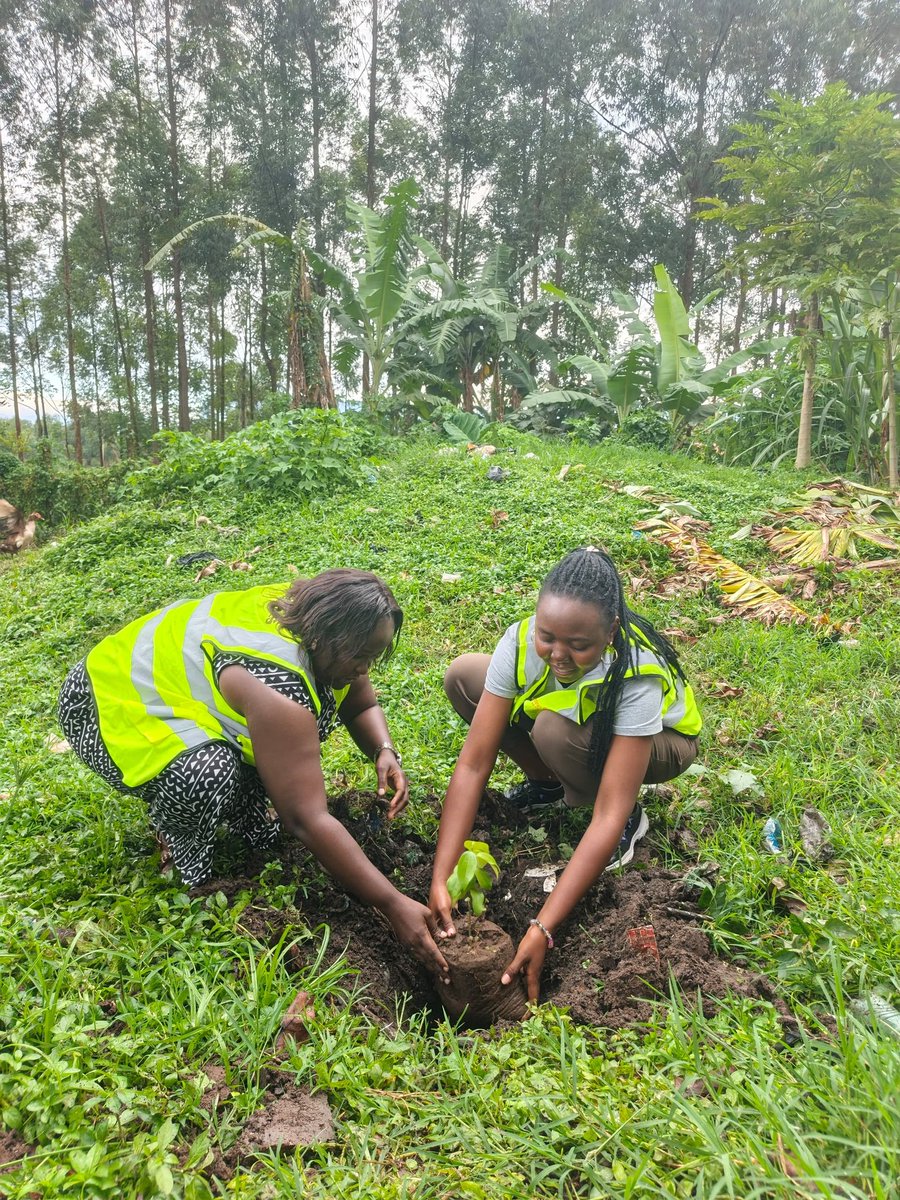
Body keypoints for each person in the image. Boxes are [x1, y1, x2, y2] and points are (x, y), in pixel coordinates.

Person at [58, 570, 448, 979]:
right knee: (207, 774)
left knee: (270, 760)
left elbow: (360, 703)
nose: (365, 667)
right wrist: (392, 903)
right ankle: (188, 861)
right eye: (362, 656)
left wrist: (383, 750)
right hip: (108, 701)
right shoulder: (279, 686)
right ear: (330, 639)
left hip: (178, 687)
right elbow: (306, 818)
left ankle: (245, 817)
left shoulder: (318, 620)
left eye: (374, 655)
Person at [429, 547, 702, 1002]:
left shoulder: (635, 671)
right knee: (464, 676)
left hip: (662, 745)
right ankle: (549, 784)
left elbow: (607, 814)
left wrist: (542, 926)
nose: (559, 655)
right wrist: (441, 875)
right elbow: (473, 763)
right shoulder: (519, 642)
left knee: (555, 731)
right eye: (547, 636)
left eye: (579, 645)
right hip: (576, 731)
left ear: (610, 632)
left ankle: (636, 816)